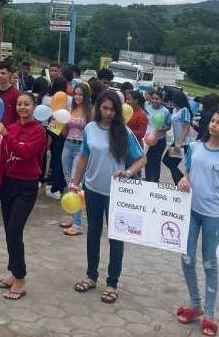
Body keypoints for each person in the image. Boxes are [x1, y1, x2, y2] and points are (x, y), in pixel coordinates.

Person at [69, 89, 146, 304]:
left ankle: (112, 283)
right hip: (92, 189)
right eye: (104, 108)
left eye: (112, 109)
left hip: (116, 193)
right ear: (98, 107)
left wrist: (128, 172)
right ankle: (90, 276)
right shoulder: (90, 129)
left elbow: (142, 159)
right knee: (93, 232)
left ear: (118, 111)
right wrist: (75, 182)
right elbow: (84, 156)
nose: (108, 113)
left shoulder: (124, 132)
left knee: (116, 238)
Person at [176, 109, 219, 337]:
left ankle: (209, 316)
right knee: (186, 259)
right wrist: (184, 179)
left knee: (210, 264)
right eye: (212, 121)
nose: (213, 125)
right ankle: (196, 306)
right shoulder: (194, 147)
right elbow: (186, 172)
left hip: (213, 216)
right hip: (190, 212)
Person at [0, 92, 47, 300]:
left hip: (27, 186)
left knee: (15, 230)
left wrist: (6, 135)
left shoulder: (39, 132)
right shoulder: (12, 128)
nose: (23, 108)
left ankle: (21, 278)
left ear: (34, 107)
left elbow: (25, 153)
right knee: (9, 231)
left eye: (27, 104)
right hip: (8, 184)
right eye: (20, 104)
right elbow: (2, 161)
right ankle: (13, 273)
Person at [59, 83, 92, 236]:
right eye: (76, 94)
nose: (78, 97)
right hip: (68, 145)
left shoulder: (90, 112)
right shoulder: (70, 109)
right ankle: (72, 216)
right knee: (68, 182)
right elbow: (64, 132)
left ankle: (78, 224)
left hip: (81, 148)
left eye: (81, 94)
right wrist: (62, 123)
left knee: (75, 184)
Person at [45, 77, 69, 200]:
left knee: (56, 160)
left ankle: (56, 188)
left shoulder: (53, 98)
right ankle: (61, 186)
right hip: (65, 132)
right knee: (61, 160)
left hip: (55, 128)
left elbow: (52, 114)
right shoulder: (69, 99)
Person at [163, 91, 193, 185]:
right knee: (167, 161)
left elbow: (186, 127)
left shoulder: (185, 110)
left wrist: (179, 142)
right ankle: (181, 182)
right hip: (176, 141)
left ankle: (181, 183)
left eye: (174, 100)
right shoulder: (176, 110)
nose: (172, 101)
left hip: (183, 143)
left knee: (170, 162)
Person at [143, 90, 171, 182]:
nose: (155, 101)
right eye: (153, 98)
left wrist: (160, 129)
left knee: (156, 161)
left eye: (157, 99)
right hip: (147, 139)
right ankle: (148, 179)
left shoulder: (165, 111)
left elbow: (168, 126)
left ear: (161, 100)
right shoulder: (146, 107)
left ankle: (155, 180)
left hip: (160, 140)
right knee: (147, 159)